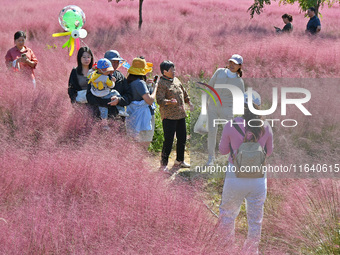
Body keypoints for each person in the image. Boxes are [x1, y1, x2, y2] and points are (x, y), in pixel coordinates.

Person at [218, 90, 274, 255]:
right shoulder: (266, 127)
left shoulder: (231, 124)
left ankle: (226, 249)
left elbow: (222, 151)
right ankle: (251, 251)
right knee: (255, 220)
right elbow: (268, 153)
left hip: (235, 176)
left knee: (227, 214)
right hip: (258, 179)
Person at [206, 54, 245, 166]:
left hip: (227, 110)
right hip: (212, 107)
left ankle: (231, 158)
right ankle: (211, 158)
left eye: (235, 63)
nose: (232, 65)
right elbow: (210, 86)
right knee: (212, 132)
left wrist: (234, 112)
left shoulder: (239, 81)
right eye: (231, 62)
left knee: (229, 133)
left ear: (239, 66)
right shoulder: (219, 72)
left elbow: (241, 98)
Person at [156, 60, 194, 172]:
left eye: (174, 69)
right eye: (172, 69)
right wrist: (168, 102)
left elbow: (184, 92)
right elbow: (159, 100)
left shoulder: (176, 80)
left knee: (182, 138)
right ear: (164, 71)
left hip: (181, 115)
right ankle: (163, 165)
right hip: (169, 117)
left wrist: (189, 102)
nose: (174, 71)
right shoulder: (161, 83)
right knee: (169, 140)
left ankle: (179, 161)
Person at [86, 50, 132, 120]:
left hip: (117, 120)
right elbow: (89, 97)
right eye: (112, 62)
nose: (115, 65)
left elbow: (129, 96)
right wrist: (107, 101)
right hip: (99, 119)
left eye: (117, 62)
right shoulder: (95, 76)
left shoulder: (120, 76)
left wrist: (119, 100)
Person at [125, 57, 158, 150]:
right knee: (144, 145)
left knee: (136, 145)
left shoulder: (130, 82)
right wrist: (155, 88)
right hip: (144, 117)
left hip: (133, 115)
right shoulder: (140, 83)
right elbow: (150, 100)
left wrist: (146, 85)